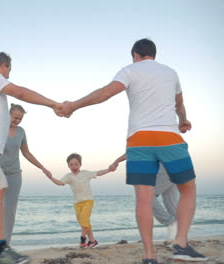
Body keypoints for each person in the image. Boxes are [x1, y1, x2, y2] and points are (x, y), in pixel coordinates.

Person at [61, 38, 207, 263]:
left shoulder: (129, 70)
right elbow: (179, 105)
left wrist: (73, 105)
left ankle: (149, 256)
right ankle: (181, 243)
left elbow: (105, 93)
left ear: (135, 55)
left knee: (144, 199)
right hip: (170, 138)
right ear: (153, 54)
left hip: (139, 140)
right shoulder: (171, 73)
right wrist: (184, 121)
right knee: (188, 188)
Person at [0, 52, 64, 264]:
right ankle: (2, 250)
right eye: (8, 71)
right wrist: (53, 104)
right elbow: (21, 92)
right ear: (3, 65)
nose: (8, 76)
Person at [0, 103, 53, 244]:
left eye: (20, 119)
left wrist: (42, 167)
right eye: (15, 117)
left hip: (14, 175)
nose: (17, 121)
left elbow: (26, 153)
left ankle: (6, 245)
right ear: (8, 114)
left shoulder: (21, 132)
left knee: (10, 211)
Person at [49, 153, 115, 249]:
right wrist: (50, 177)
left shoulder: (85, 173)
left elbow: (98, 173)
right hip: (77, 203)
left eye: (76, 164)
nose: (74, 166)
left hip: (88, 201)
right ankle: (92, 241)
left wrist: (109, 170)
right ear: (68, 166)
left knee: (84, 219)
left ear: (80, 164)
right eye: (71, 165)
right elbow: (59, 183)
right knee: (84, 222)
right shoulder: (69, 176)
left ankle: (83, 238)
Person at [111, 154, 179, 244]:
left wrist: (116, 161)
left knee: (145, 196)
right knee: (171, 202)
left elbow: (134, 150)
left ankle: (170, 222)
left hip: (165, 166)